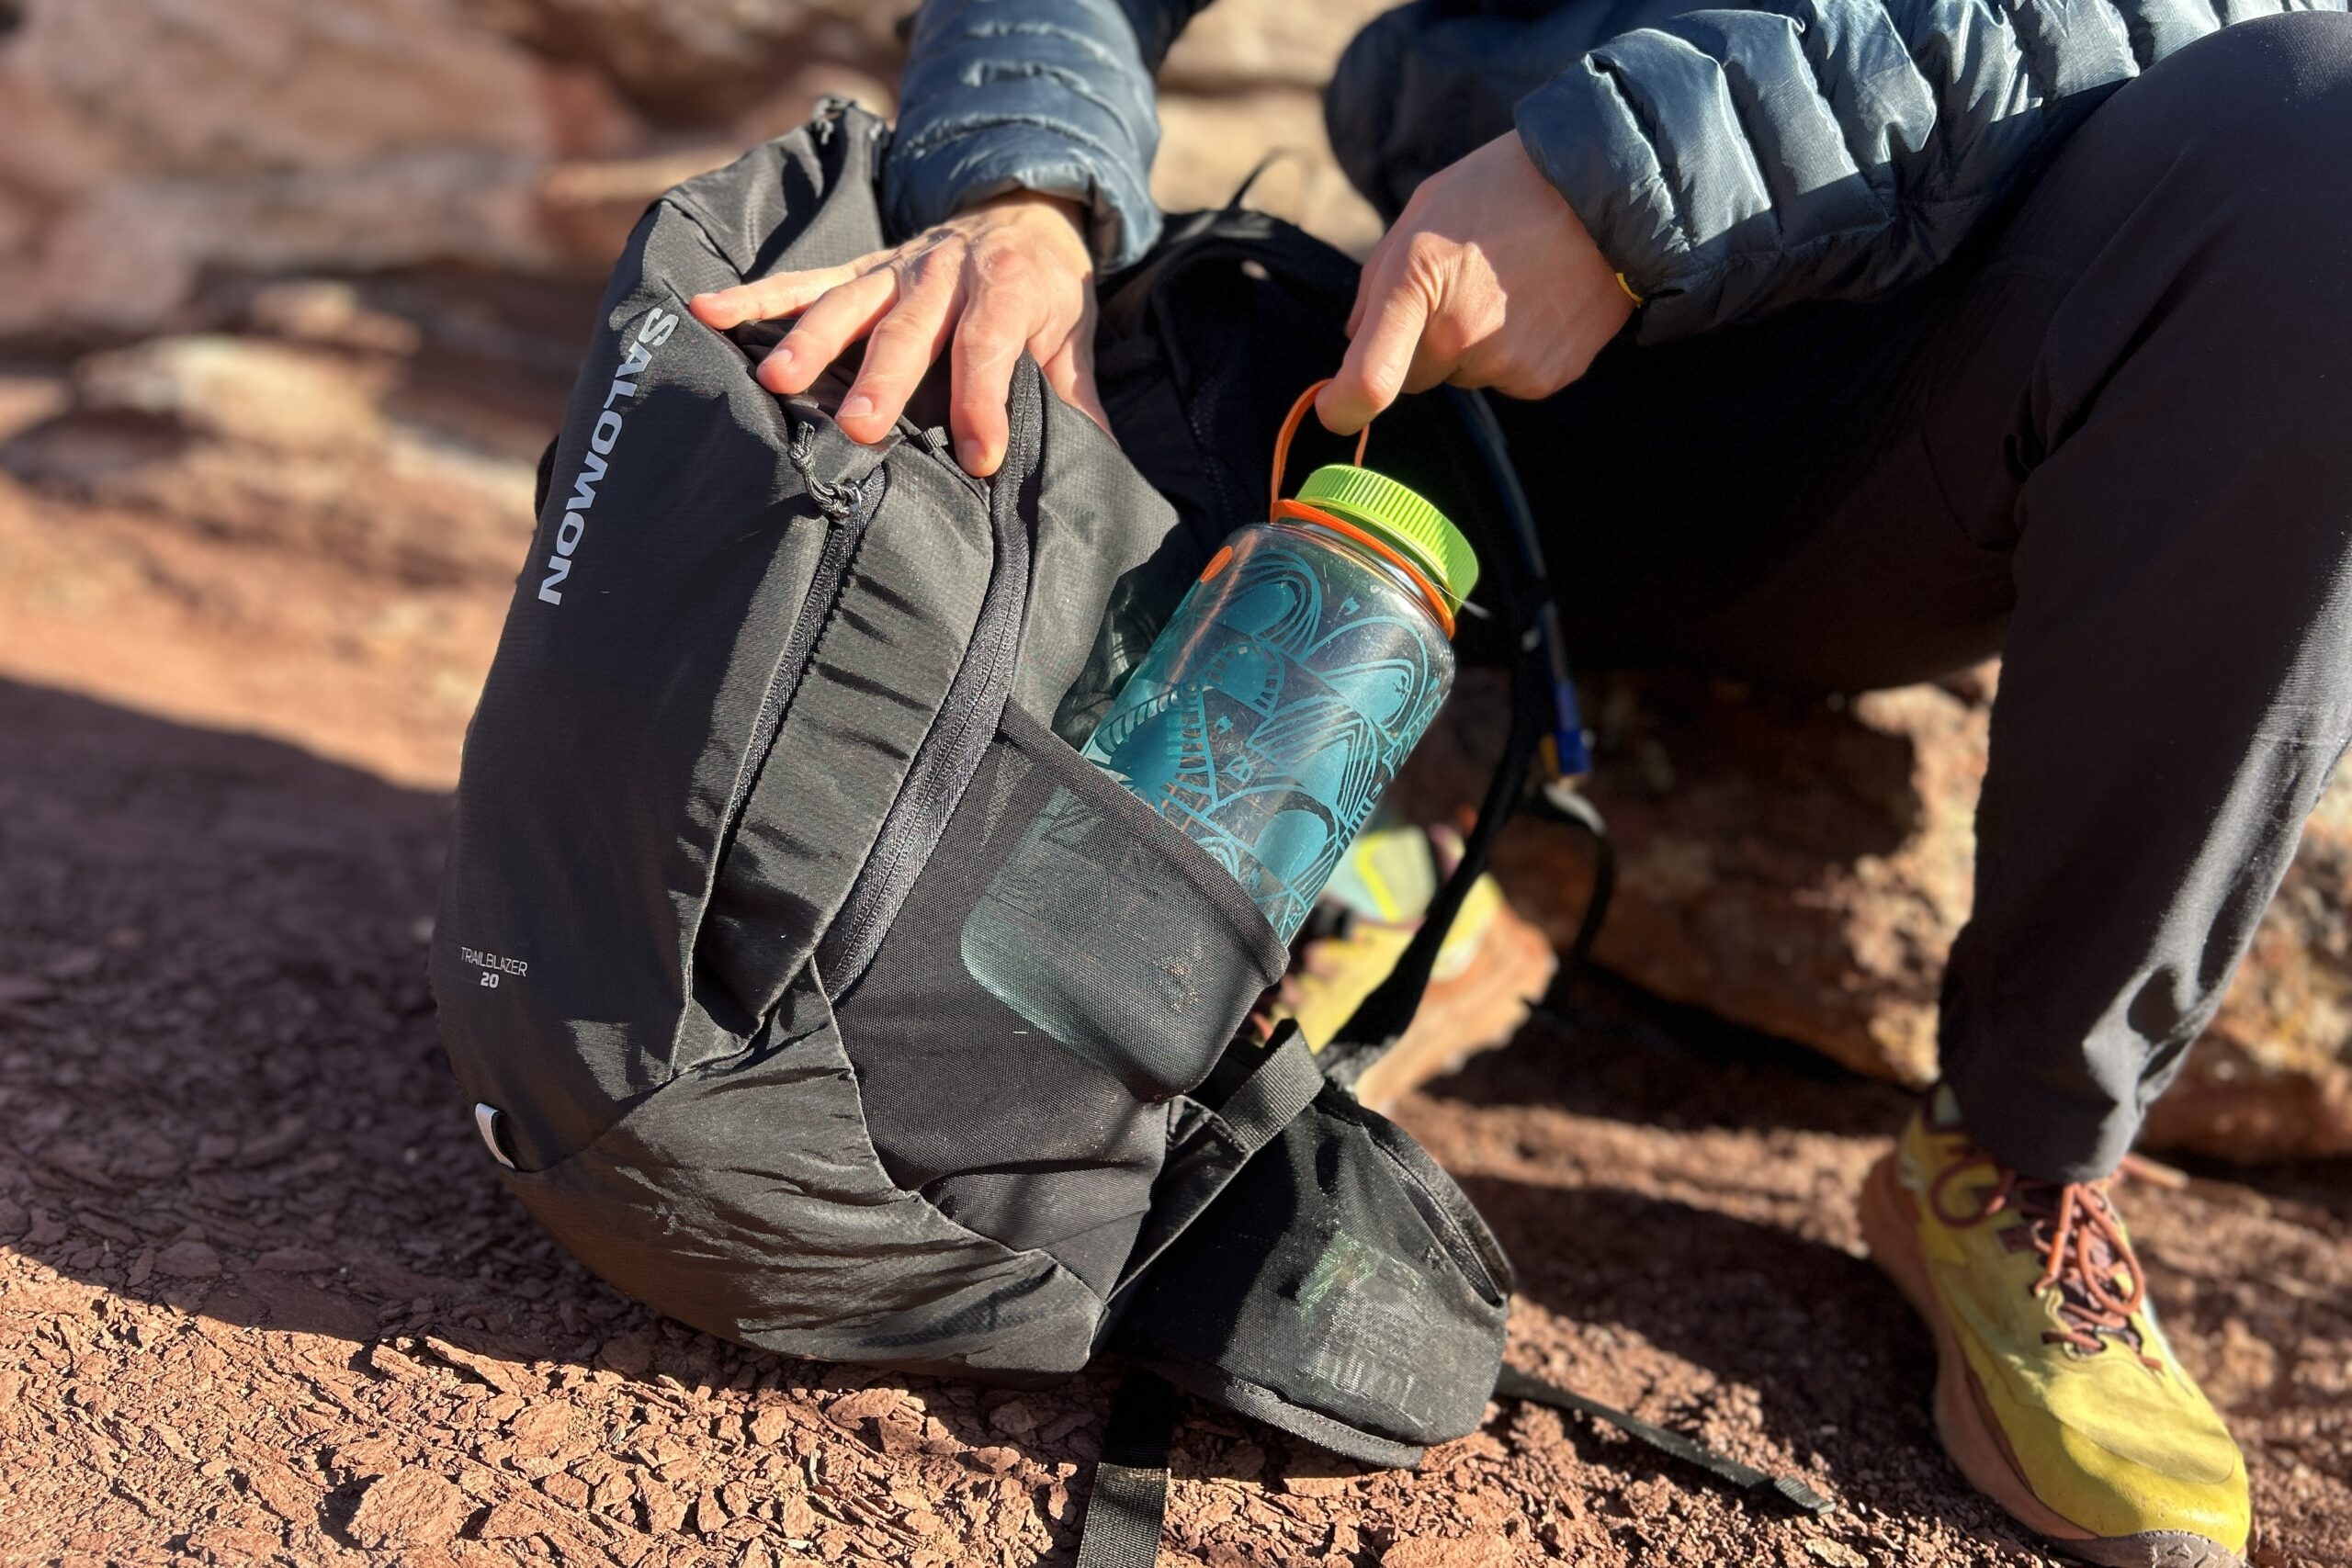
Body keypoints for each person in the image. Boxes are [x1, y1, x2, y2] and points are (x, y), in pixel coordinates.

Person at [686, 1, 2352, 1561]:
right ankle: (1295, 903)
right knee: (985, 388)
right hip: (1454, 341)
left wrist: (1629, 180)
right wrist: (1029, 191)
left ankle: (2020, 1150)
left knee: (2325, 129)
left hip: (1912, 412)